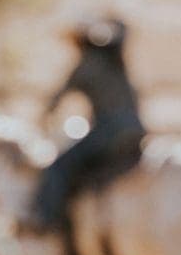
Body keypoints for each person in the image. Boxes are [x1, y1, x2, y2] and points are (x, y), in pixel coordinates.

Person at [21, 14, 145, 236]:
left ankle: (46, 219)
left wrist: (43, 118)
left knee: (59, 165)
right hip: (136, 128)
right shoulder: (115, 62)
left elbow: (58, 98)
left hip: (110, 130)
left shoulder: (88, 64)